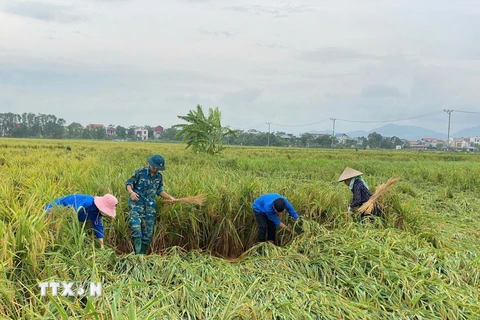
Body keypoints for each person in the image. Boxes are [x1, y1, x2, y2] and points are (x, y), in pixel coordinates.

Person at [126, 154, 175, 254]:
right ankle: (137, 256)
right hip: (136, 205)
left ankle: (142, 256)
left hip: (150, 209)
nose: (156, 170)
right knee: (136, 228)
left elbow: (159, 190)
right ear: (150, 164)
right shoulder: (140, 172)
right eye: (155, 168)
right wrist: (131, 192)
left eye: (158, 169)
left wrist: (169, 197)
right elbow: (129, 183)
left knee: (148, 234)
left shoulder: (159, 177)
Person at [44, 193, 118, 248]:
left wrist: (102, 246)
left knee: (58, 238)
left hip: (64, 218)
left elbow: (98, 226)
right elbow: (69, 217)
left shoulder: (97, 212)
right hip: (53, 210)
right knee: (52, 236)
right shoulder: (87, 203)